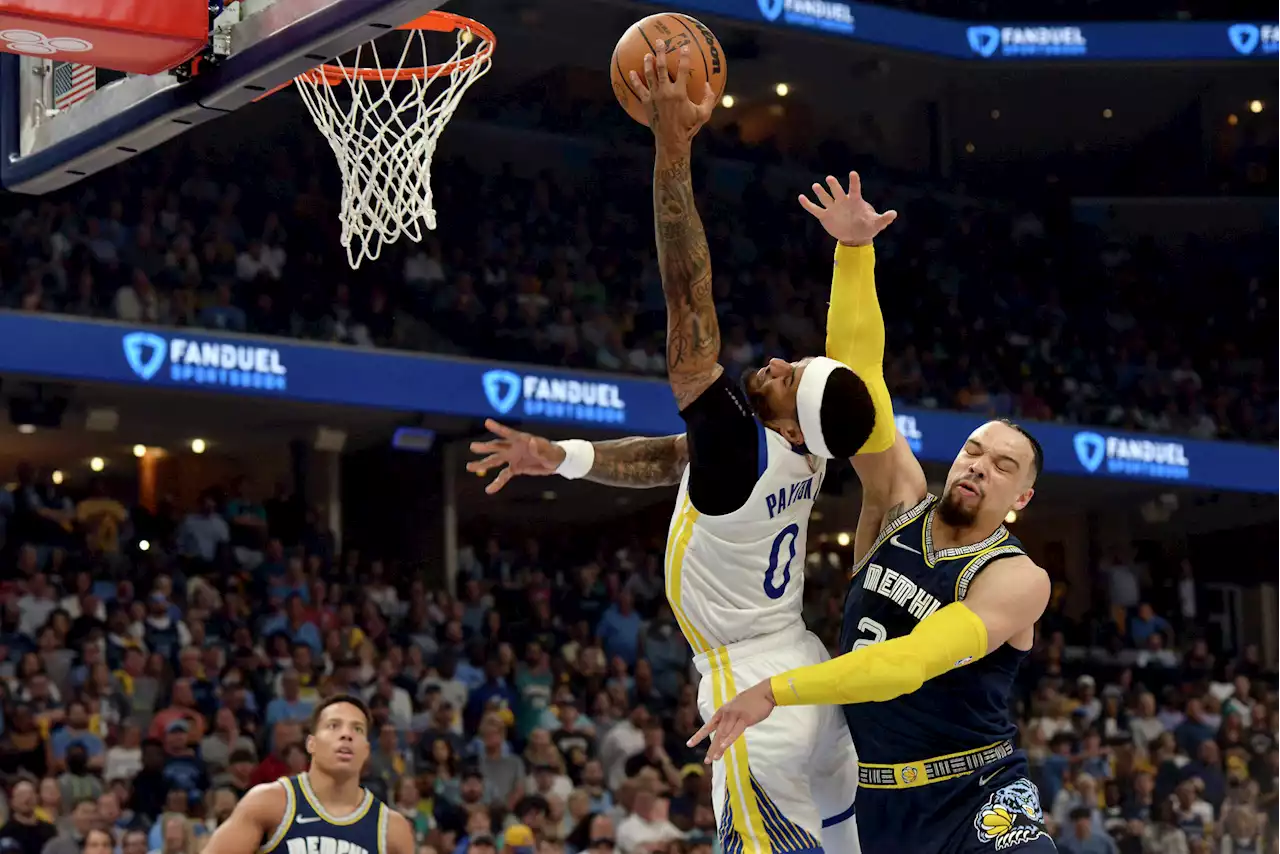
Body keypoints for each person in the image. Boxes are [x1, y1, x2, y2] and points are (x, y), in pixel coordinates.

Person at [469, 37, 899, 854]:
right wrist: (561, 457)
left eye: (786, 372)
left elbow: (687, 290)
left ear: (781, 417)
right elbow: (675, 460)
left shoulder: (742, 443)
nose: (772, 361)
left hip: (752, 693)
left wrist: (673, 146)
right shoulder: (796, 454)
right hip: (807, 671)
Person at [688, 241, 1055, 852]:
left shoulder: (1017, 579)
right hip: (879, 802)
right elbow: (860, 386)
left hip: (981, 795)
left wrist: (775, 691)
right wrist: (853, 251)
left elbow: (909, 664)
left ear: (1023, 497)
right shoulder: (897, 503)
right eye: (973, 451)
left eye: (1003, 466)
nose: (979, 467)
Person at [200, 695, 415, 854]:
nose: (346, 735)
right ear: (311, 744)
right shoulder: (270, 803)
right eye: (334, 726)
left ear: (366, 750)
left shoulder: (392, 828)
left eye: (357, 729)